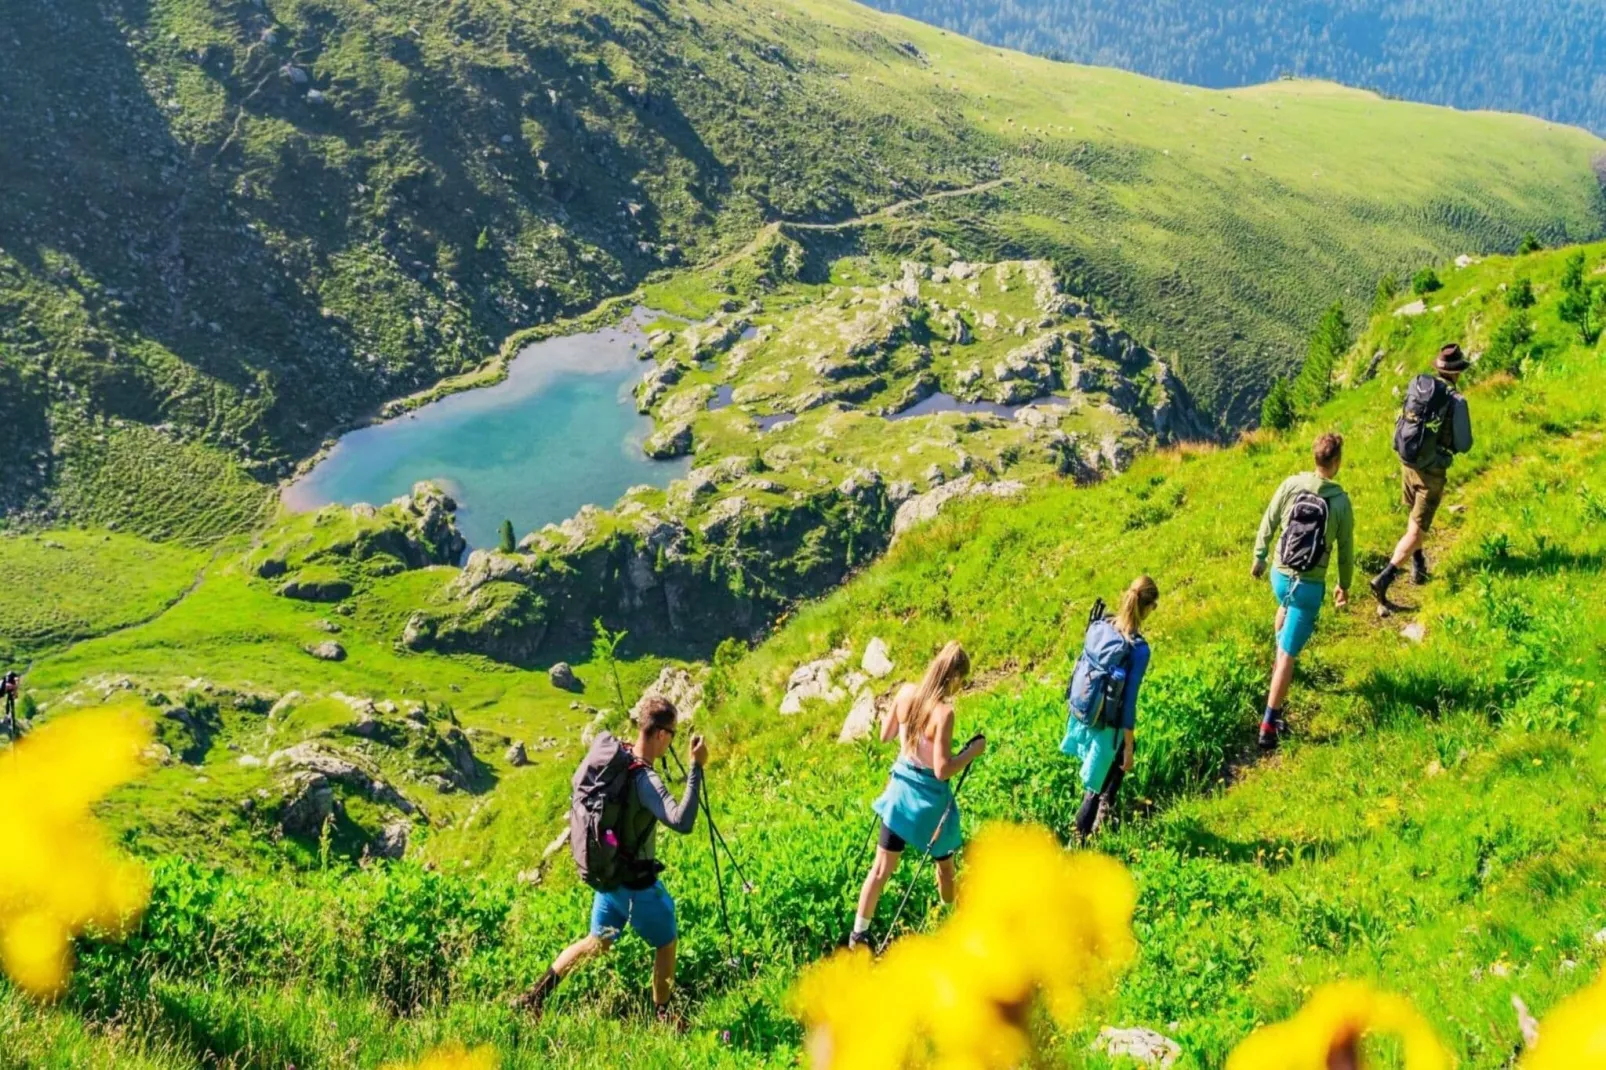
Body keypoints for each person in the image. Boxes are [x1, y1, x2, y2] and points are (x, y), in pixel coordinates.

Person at [516, 697, 706, 1023]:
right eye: (672, 734)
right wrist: (696, 768)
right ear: (660, 734)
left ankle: (534, 996)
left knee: (596, 943)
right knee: (667, 942)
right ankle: (665, 1018)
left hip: (610, 879)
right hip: (636, 886)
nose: (672, 740)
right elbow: (682, 822)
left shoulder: (619, 759)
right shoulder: (646, 780)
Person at [848, 640, 983, 952]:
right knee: (945, 870)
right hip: (930, 807)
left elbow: (885, 736)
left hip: (898, 796)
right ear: (954, 677)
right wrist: (971, 752)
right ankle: (951, 919)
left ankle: (859, 935)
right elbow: (942, 770)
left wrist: (897, 712)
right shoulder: (944, 713)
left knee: (880, 870)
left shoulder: (906, 693)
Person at [1251, 432, 1354, 750]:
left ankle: (1278, 671)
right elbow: (1346, 549)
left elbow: (1269, 520)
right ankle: (1269, 724)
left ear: (1315, 458)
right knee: (1287, 654)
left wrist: (1259, 556)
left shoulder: (1291, 485)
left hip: (1279, 576)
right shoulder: (1339, 502)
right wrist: (1344, 585)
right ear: (1335, 462)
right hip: (1309, 586)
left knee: (1284, 607)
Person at [1372, 343, 1474, 612]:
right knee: (1418, 529)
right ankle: (1386, 577)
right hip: (1432, 471)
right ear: (1457, 372)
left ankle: (1418, 567)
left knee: (1412, 515)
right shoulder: (1456, 401)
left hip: (1408, 462)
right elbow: (1464, 444)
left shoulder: (1420, 386)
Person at [1060, 577, 1159, 843]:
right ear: (1147, 606)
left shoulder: (1103, 625)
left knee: (1105, 776)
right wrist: (1127, 747)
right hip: (1109, 727)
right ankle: (1078, 842)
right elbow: (1129, 703)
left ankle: (1104, 817)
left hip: (1086, 715)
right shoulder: (1138, 649)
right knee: (1094, 788)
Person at [2, 671, 17, 739]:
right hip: (3, 689)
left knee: (9, 700)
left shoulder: (7, 683)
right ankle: (7, 717)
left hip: (5, 690)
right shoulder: (7, 684)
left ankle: (8, 717)